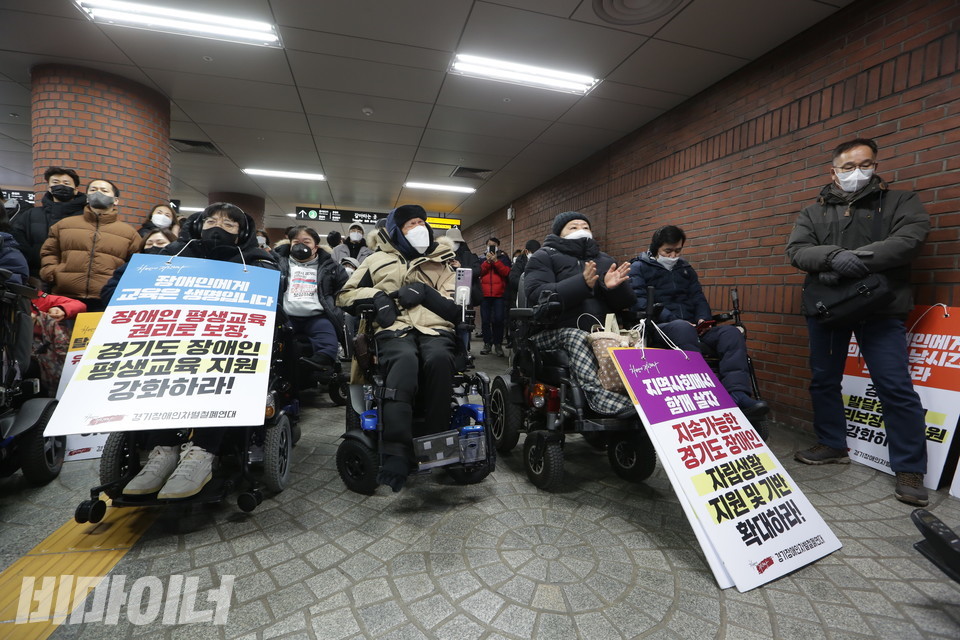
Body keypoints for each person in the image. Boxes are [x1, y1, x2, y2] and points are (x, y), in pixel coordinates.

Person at [786, 137, 931, 506]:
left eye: (865, 164)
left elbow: (911, 239)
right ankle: (832, 443)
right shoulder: (812, 212)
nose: (857, 173)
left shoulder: (900, 201)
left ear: (876, 165)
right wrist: (833, 256)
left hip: (881, 308)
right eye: (848, 167)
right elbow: (798, 250)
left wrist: (856, 260)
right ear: (833, 172)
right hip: (828, 308)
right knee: (824, 379)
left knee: (894, 386)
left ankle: (910, 469)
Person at [121, 203, 279, 499]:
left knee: (220, 375)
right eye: (211, 221)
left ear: (242, 233)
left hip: (226, 345)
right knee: (161, 373)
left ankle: (202, 455)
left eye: (229, 225)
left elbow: (274, 300)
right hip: (173, 341)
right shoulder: (173, 255)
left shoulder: (256, 261)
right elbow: (129, 287)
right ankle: (164, 452)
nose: (218, 227)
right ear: (198, 224)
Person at [337, 204, 461, 493]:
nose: (418, 227)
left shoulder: (442, 261)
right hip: (393, 329)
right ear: (395, 231)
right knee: (404, 361)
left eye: (422, 222)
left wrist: (426, 294)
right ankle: (396, 451)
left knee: (440, 360)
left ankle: (436, 441)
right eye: (410, 224)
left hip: (435, 329)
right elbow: (344, 295)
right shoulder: (377, 260)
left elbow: (457, 305)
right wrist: (377, 296)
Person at [629, 226, 769, 417]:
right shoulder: (638, 267)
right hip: (661, 328)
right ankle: (707, 393)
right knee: (681, 328)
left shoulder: (685, 269)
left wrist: (703, 318)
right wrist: (675, 320)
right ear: (655, 249)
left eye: (677, 251)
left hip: (693, 327)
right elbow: (641, 302)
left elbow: (698, 298)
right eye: (667, 251)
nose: (673, 256)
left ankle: (738, 394)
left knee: (732, 333)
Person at [523, 211, 635, 415]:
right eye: (573, 227)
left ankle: (638, 396)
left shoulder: (605, 260)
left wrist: (613, 288)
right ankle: (598, 397)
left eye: (585, 227)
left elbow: (624, 304)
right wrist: (580, 284)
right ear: (559, 233)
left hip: (602, 332)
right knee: (578, 337)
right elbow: (537, 294)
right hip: (553, 331)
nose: (581, 231)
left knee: (633, 337)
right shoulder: (544, 256)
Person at [39, 178, 141, 312]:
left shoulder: (129, 233)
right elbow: (49, 252)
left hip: (104, 300)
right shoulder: (64, 225)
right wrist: (52, 273)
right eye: (93, 190)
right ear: (87, 197)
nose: (98, 193)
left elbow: (134, 265)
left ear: (116, 200)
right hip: (65, 297)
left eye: (104, 190)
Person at [277, 225, 349, 383]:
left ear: (315, 247)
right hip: (286, 316)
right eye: (296, 242)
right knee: (278, 343)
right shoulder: (277, 263)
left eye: (306, 241)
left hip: (317, 316)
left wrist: (337, 308)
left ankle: (314, 367)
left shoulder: (332, 267)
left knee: (329, 343)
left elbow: (344, 290)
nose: (300, 245)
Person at [11, 166, 86, 279]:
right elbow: (18, 244)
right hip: (35, 278)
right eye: (56, 182)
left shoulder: (85, 216)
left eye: (66, 183)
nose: (61, 185)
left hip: (73, 279)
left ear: (75, 190)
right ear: (50, 188)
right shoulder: (30, 215)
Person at [445, 227, 482, 355]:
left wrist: (461, 267)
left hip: (464, 296)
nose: (454, 245)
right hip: (446, 295)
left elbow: (477, 271)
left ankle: (464, 353)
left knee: (464, 325)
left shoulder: (469, 256)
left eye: (457, 242)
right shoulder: (442, 256)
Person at [479, 238, 511, 356]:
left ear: (498, 246)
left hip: (499, 295)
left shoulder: (503, 258)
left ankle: (498, 344)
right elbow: (479, 272)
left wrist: (496, 261)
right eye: (489, 245)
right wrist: (487, 262)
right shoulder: (482, 258)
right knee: (485, 320)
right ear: (486, 246)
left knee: (499, 319)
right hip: (485, 294)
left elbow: (507, 272)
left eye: (494, 245)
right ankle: (487, 343)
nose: (491, 247)